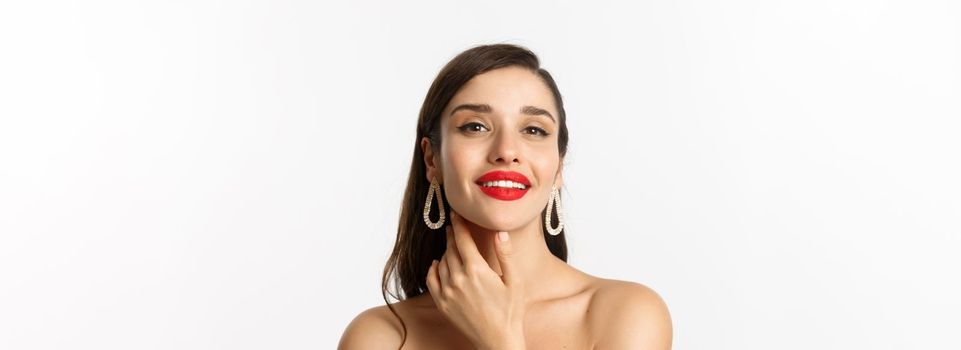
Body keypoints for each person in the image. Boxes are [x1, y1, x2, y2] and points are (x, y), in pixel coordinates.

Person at [338, 43, 672, 350]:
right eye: (475, 127)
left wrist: (499, 339)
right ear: (431, 160)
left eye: (534, 130)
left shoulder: (625, 315)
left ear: (558, 167)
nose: (507, 151)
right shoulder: (381, 337)